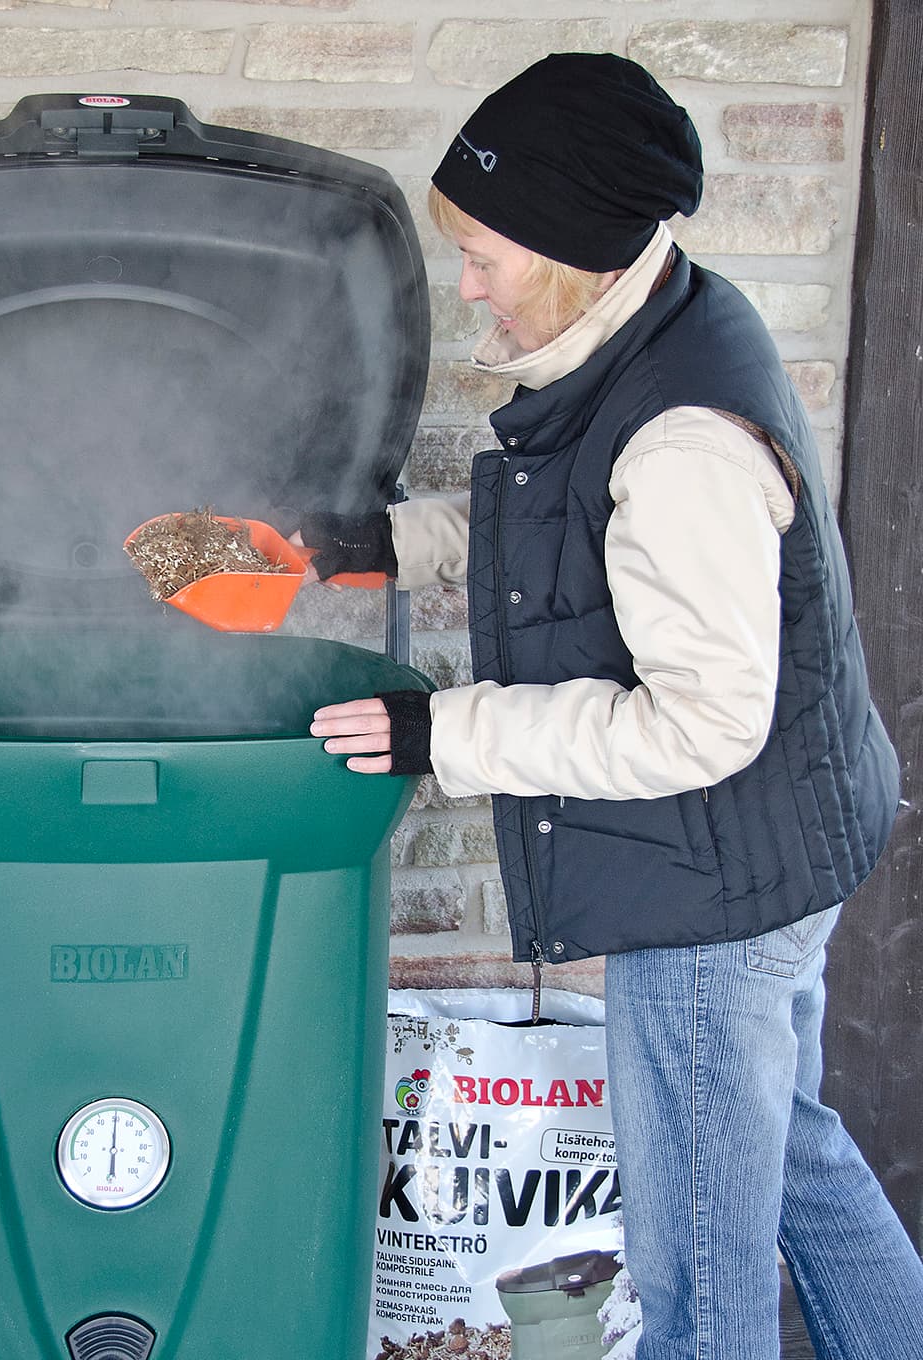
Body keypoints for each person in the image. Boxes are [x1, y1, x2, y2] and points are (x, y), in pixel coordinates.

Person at [297, 52, 923, 1360]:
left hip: (711, 891)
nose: (464, 281)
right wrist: (378, 543)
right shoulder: (661, 318)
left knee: (699, 1256)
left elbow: (698, 727)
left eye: (486, 254)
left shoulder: (682, 441)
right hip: (787, 839)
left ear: (580, 248)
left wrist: (439, 735)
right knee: (787, 1152)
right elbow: (565, 519)